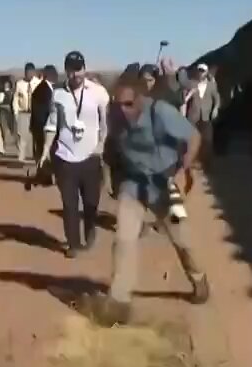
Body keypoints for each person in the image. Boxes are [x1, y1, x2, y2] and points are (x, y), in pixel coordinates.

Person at [87, 72, 209, 326]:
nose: (123, 110)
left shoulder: (161, 112)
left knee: (183, 240)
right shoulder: (115, 118)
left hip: (164, 184)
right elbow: (111, 149)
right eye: (118, 104)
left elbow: (193, 137)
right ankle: (120, 300)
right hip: (133, 184)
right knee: (124, 239)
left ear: (141, 99)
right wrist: (110, 178)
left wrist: (183, 170)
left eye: (129, 104)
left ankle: (198, 278)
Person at [39, 52, 110, 258]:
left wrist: (101, 147)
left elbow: (105, 125)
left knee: (90, 203)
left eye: (79, 69)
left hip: (91, 156)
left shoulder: (98, 93)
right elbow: (53, 123)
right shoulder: (59, 93)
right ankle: (73, 243)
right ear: (66, 71)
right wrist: (45, 150)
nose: (75, 73)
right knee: (69, 204)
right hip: (64, 156)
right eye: (71, 69)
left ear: (84, 69)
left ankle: (90, 229)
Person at [180, 62, 220, 193]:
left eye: (203, 71)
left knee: (208, 141)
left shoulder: (211, 86)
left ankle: (207, 165)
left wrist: (215, 109)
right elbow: (184, 99)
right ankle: (190, 163)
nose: (201, 72)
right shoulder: (191, 83)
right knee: (191, 141)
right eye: (199, 70)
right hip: (193, 117)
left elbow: (217, 99)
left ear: (206, 72)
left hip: (206, 116)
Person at [30, 64, 56, 164]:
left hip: (39, 125)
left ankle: (43, 175)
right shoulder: (43, 90)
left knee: (41, 152)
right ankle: (43, 176)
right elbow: (45, 109)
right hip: (42, 126)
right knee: (43, 153)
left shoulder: (44, 88)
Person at [14, 62, 36, 163]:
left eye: (31, 72)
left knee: (35, 136)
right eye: (28, 72)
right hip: (23, 113)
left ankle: (36, 157)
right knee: (22, 136)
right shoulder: (19, 84)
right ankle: (21, 158)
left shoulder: (38, 83)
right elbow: (15, 99)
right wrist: (16, 112)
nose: (29, 74)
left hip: (35, 113)